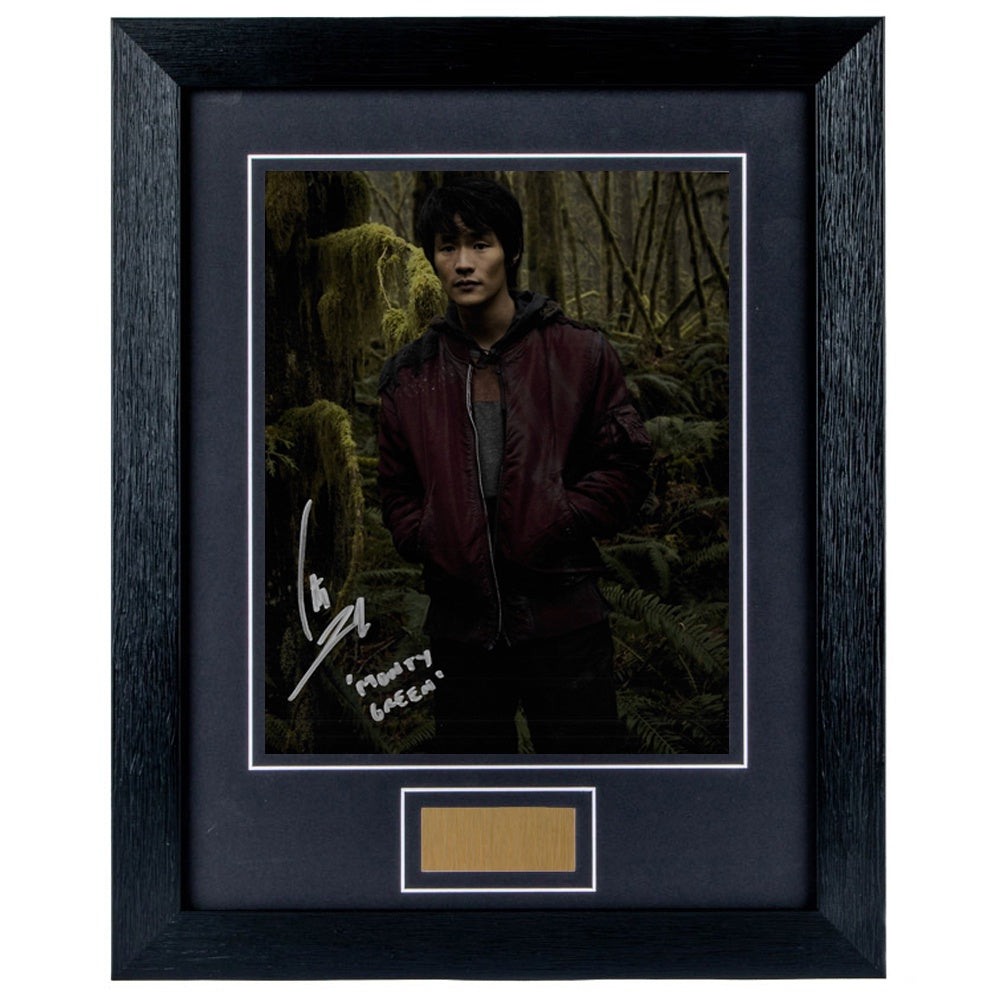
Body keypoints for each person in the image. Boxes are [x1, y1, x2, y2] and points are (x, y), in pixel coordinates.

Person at [377, 177, 651, 753]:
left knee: (583, 776)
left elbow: (623, 466)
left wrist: (562, 518)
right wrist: (427, 535)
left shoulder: (579, 353)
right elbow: (397, 489)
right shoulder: (410, 376)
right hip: (461, 630)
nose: (464, 263)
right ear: (432, 259)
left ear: (513, 250)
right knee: (473, 792)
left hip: (565, 618)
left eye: (481, 243)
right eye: (447, 247)